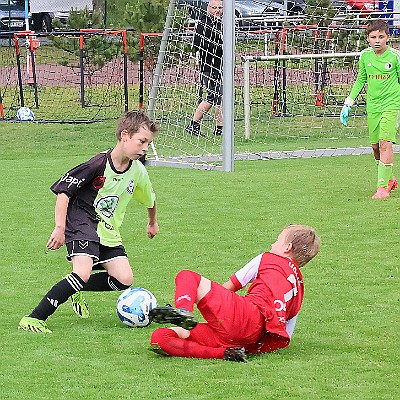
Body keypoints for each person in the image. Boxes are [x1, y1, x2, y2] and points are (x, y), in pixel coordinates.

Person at [19, 110, 160, 333]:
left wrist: (152, 222)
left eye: (148, 143)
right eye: (141, 141)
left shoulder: (138, 171)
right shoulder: (98, 164)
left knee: (124, 279)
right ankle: (34, 317)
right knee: (82, 273)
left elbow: (150, 198)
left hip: (108, 230)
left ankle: (75, 289)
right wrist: (60, 228)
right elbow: (63, 192)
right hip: (82, 222)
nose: (145, 148)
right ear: (124, 135)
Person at [149, 225, 320, 362]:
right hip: (251, 338)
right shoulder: (299, 287)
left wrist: (204, 305)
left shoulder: (269, 258)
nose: (272, 245)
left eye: (277, 240)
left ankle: (183, 310)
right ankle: (224, 354)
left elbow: (229, 287)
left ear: (287, 247)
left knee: (187, 276)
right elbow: (285, 334)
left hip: (244, 317)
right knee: (160, 338)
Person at [340, 19, 400, 199]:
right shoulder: (365, 56)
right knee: (375, 147)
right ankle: (389, 179)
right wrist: (348, 103)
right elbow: (361, 80)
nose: (377, 40)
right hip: (373, 106)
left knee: (385, 143)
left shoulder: (395, 57)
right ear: (367, 39)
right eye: (373, 37)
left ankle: (382, 188)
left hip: (392, 105)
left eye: (381, 37)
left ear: (387, 38)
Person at [186, 0, 224, 137]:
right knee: (212, 96)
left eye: (220, 7)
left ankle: (220, 129)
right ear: (209, 8)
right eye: (215, 8)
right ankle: (193, 124)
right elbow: (197, 43)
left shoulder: (222, 23)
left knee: (222, 97)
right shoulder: (204, 22)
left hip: (221, 65)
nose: (218, 10)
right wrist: (216, 46)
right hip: (209, 66)